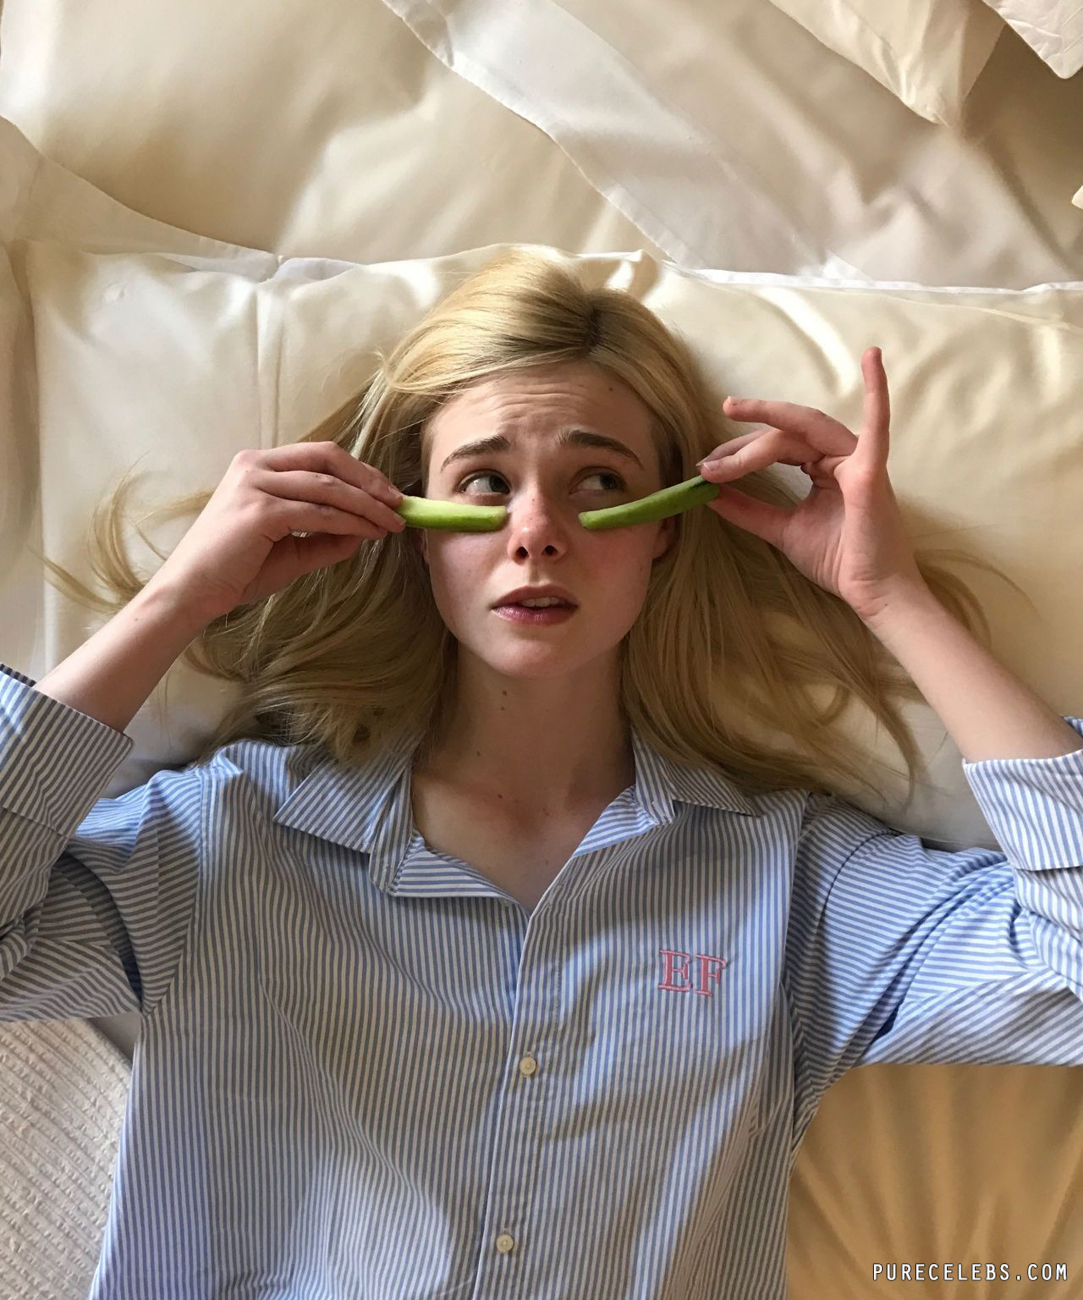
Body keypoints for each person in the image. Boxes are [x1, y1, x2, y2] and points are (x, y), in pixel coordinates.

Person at [2, 247, 1081, 1298]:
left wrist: (891, 596)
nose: (536, 533)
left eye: (597, 481)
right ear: (411, 527)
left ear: (662, 532)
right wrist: (180, 601)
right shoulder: (228, 836)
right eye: (484, 482)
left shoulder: (795, 884)